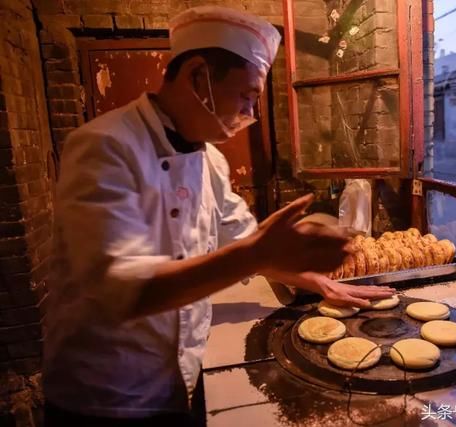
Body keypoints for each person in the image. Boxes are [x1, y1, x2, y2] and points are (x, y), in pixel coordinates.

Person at [42, 6, 393, 426]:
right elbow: (119, 288)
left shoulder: (209, 160)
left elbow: (240, 238)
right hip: (107, 394)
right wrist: (259, 254)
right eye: (246, 95)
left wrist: (314, 281)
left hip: (182, 374)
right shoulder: (106, 147)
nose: (252, 112)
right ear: (197, 77)